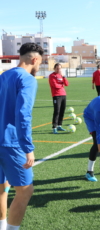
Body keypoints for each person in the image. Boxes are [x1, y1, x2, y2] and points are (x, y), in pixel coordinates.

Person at [0, 42, 43, 230]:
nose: (39, 66)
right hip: (11, 143)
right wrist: (28, 147)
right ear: (34, 59)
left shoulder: (4, 76)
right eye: (40, 63)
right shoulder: (28, 79)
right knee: (25, 191)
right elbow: (23, 114)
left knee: (2, 188)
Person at [49, 63, 69, 134]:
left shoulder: (61, 75)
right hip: (56, 95)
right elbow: (55, 85)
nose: (58, 70)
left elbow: (67, 84)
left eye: (59, 68)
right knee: (57, 111)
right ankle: (54, 127)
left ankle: (59, 125)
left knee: (62, 111)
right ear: (54, 68)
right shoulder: (52, 76)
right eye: (57, 68)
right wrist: (62, 84)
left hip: (63, 94)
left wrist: (63, 77)